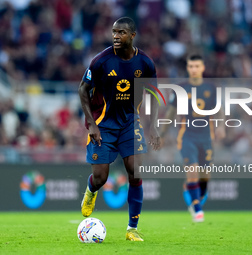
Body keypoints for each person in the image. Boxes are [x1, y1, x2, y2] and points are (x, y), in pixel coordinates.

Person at [78, 17, 160, 241]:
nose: (116, 36)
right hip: (103, 124)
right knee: (100, 177)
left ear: (132, 36)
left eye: (121, 32)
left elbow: (153, 95)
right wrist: (92, 124)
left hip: (129, 123)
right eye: (114, 32)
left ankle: (132, 229)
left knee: (135, 171)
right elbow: (83, 89)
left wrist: (152, 126)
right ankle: (91, 191)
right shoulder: (101, 61)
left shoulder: (145, 63)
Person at [160, 54, 225, 222]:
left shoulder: (212, 88)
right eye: (191, 66)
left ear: (202, 68)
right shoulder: (181, 89)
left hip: (206, 137)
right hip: (187, 136)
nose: (194, 69)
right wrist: (162, 134)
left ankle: (195, 196)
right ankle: (197, 209)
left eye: (197, 66)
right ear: (188, 68)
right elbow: (171, 112)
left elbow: (219, 110)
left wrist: (221, 126)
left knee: (205, 176)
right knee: (193, 170)